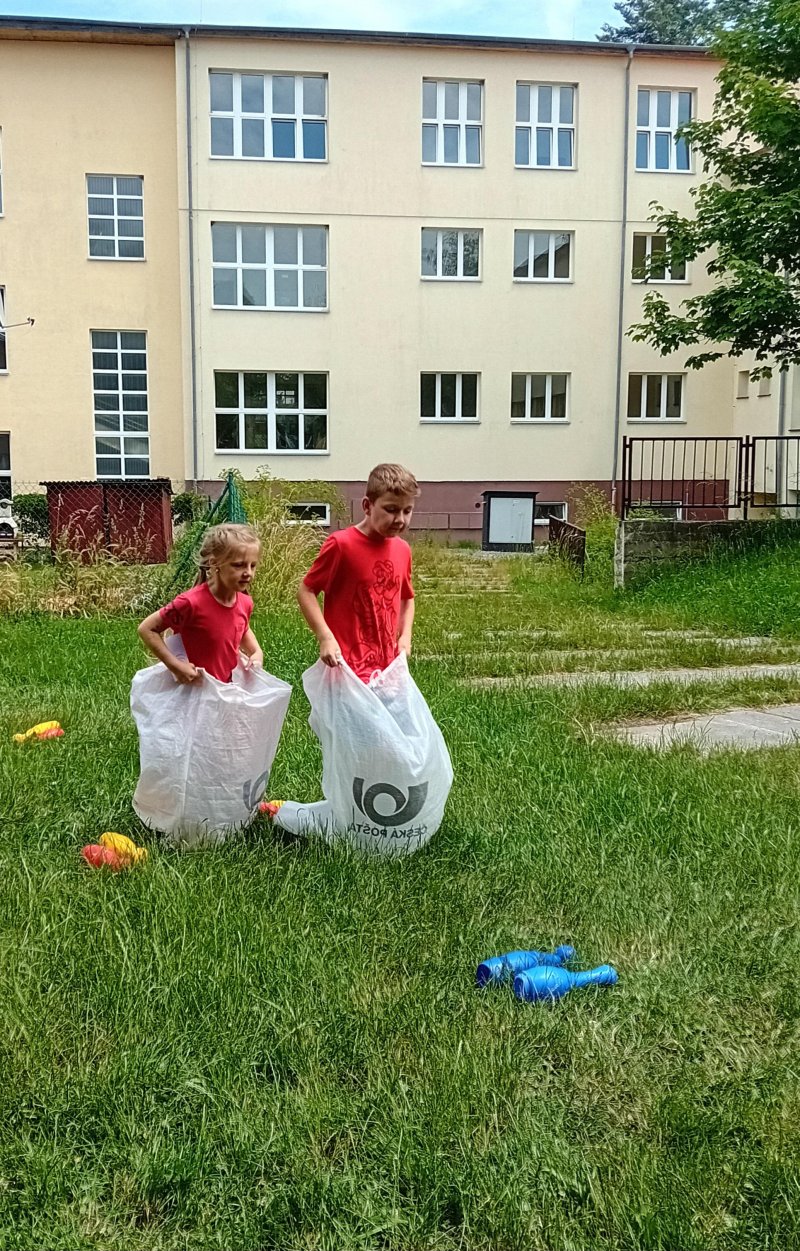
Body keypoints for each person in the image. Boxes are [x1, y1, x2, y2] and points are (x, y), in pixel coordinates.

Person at [297, 463, 419, 682]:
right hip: (347, 667)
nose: (400, 519)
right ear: (367, 506)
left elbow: (407, 598)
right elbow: (306, 590)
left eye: (407, 511)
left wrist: (405, 636)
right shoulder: (341, 545)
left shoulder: (403, 550)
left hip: (387, 668)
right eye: (391, 509)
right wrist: (325, 637)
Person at [137, 523, 263, 684]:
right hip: (193, 689)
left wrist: (256, 652)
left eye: (253, 565)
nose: (248, 573)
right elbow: (147, 629)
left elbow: (241, 628)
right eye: (238, 565)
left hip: (224, 689)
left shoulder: (245, 602)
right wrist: (175, 666)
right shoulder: (191, 603)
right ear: (214, 563)